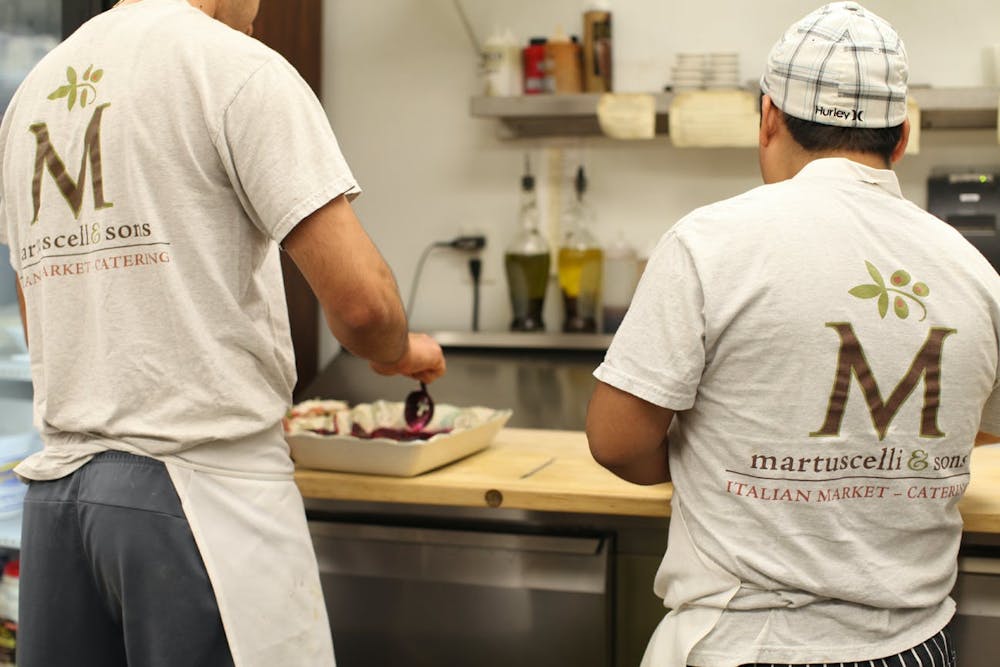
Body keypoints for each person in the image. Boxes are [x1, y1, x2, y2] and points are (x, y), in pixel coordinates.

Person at [0, 0, 445, 665]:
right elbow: (364, 308)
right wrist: (400, 350)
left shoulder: (36, 90)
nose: (260, 10)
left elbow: (37, 306)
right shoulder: (233, 69)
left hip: (61, 504)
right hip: (200, 499)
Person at [586, 3, 1000, 666]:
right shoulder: (975, 271)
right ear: (900, 138)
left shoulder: (710, 242)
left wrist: (714, 464)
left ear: (769, 117)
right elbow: (975, 421)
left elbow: (615, 439)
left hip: (747, 645)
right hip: (913, 649)